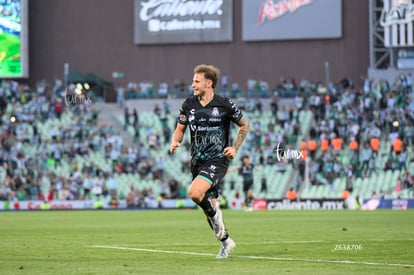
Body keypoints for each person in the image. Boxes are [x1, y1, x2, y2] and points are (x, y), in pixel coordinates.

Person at [169, 64, 249, 259]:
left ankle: (218, 222)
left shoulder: (225, 104)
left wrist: (234, 148)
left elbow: (244, 126)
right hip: (197, 161)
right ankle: (225, 242)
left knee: (195, 193)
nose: (193, 84)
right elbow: (180, 128)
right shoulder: (188, 104)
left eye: (196, 81)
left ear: (209, 83)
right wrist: (175, 140)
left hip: (218, 159)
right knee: (209, 209)